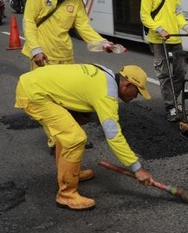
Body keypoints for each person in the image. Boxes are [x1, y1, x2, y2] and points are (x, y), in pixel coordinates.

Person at [14, 64, 156, 210]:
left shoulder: (105, 73)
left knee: (70, 131)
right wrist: (137, 168)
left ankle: (71, 174)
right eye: (137, 92)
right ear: (126, 85)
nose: (135, 96)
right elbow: (113, 135)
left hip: (36, 84)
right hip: (35, 94)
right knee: (75, 138)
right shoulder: (107, 94)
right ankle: (66, 194)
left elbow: (79, 89)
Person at [21, 0, 113, 152]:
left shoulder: (76, 0)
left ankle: (71, 135)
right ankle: (57, 140)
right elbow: (28, 22)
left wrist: (102, 43)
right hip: (43, 57)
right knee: (48, 102)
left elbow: (83, 27)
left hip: (65, 56)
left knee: (67, 100)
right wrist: (36, 49)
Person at [140, 0, 188, 121]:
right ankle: (171, 106)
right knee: (164, 73)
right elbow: (144, 16)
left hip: (175, 38)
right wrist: (159, 29)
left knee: (181, 71)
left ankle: (172, 98)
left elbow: (178, 13)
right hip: (158, 40)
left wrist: (187, 28)